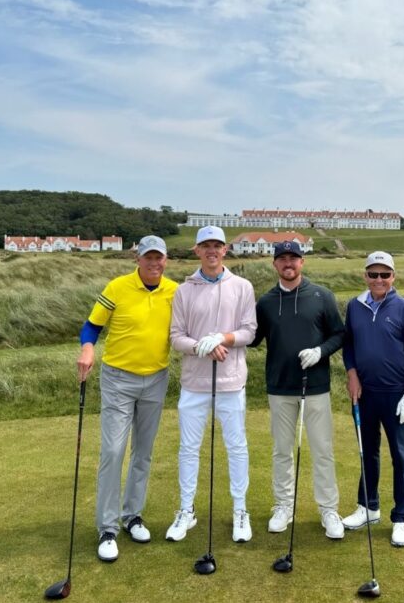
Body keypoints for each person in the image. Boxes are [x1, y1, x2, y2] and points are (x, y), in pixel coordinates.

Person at [77, 235, 178, 563]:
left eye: (159, 258)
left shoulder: (175, 291)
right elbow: (91, 327)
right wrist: (88, 348)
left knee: (143, 452)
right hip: (118, 379)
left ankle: (132, 515)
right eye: (148, 257)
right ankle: (107, 528)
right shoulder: (117, 287)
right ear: (138, 259)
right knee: (113, 450)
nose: (154, 263)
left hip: (157, 378)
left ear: (165, 260)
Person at [167, 225, 257, 543]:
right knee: (189, 449)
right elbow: (176, 337)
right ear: (197, 250)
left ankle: (240, 510)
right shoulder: (184, 291)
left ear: (225, 249)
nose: (212, 251)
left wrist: (223, 338)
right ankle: (186, 510)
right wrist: (200, 346)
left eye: (217, 245)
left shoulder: (242, 287)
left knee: (236, 447)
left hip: (232, 382)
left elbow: (249, 331)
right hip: (194, 383)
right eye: (206, 246)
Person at [250, 240, 346, 540]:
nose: (288, 263)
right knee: (281, 451)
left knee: (322, 450)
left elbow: (339, 334)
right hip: (279, 387)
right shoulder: (265, 302)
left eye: (294, 258)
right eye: (282, 259)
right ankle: (283, 506)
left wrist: (320, 351)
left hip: (315, 387)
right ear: (274, 264)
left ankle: (328, 510)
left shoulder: (321, 296)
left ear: (302, 262)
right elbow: (252, 339)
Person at [341, 251, 404, 547]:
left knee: (401, 456)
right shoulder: (355, 306)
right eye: (373, 274)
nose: (379, 280)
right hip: (364, 393)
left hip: (395, 394)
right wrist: (351, 374)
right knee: (368, 451)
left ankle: (401, 517)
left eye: (384, 275)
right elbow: (348, 344)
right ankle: (368, 507)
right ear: (365, 276)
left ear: (393, 277)